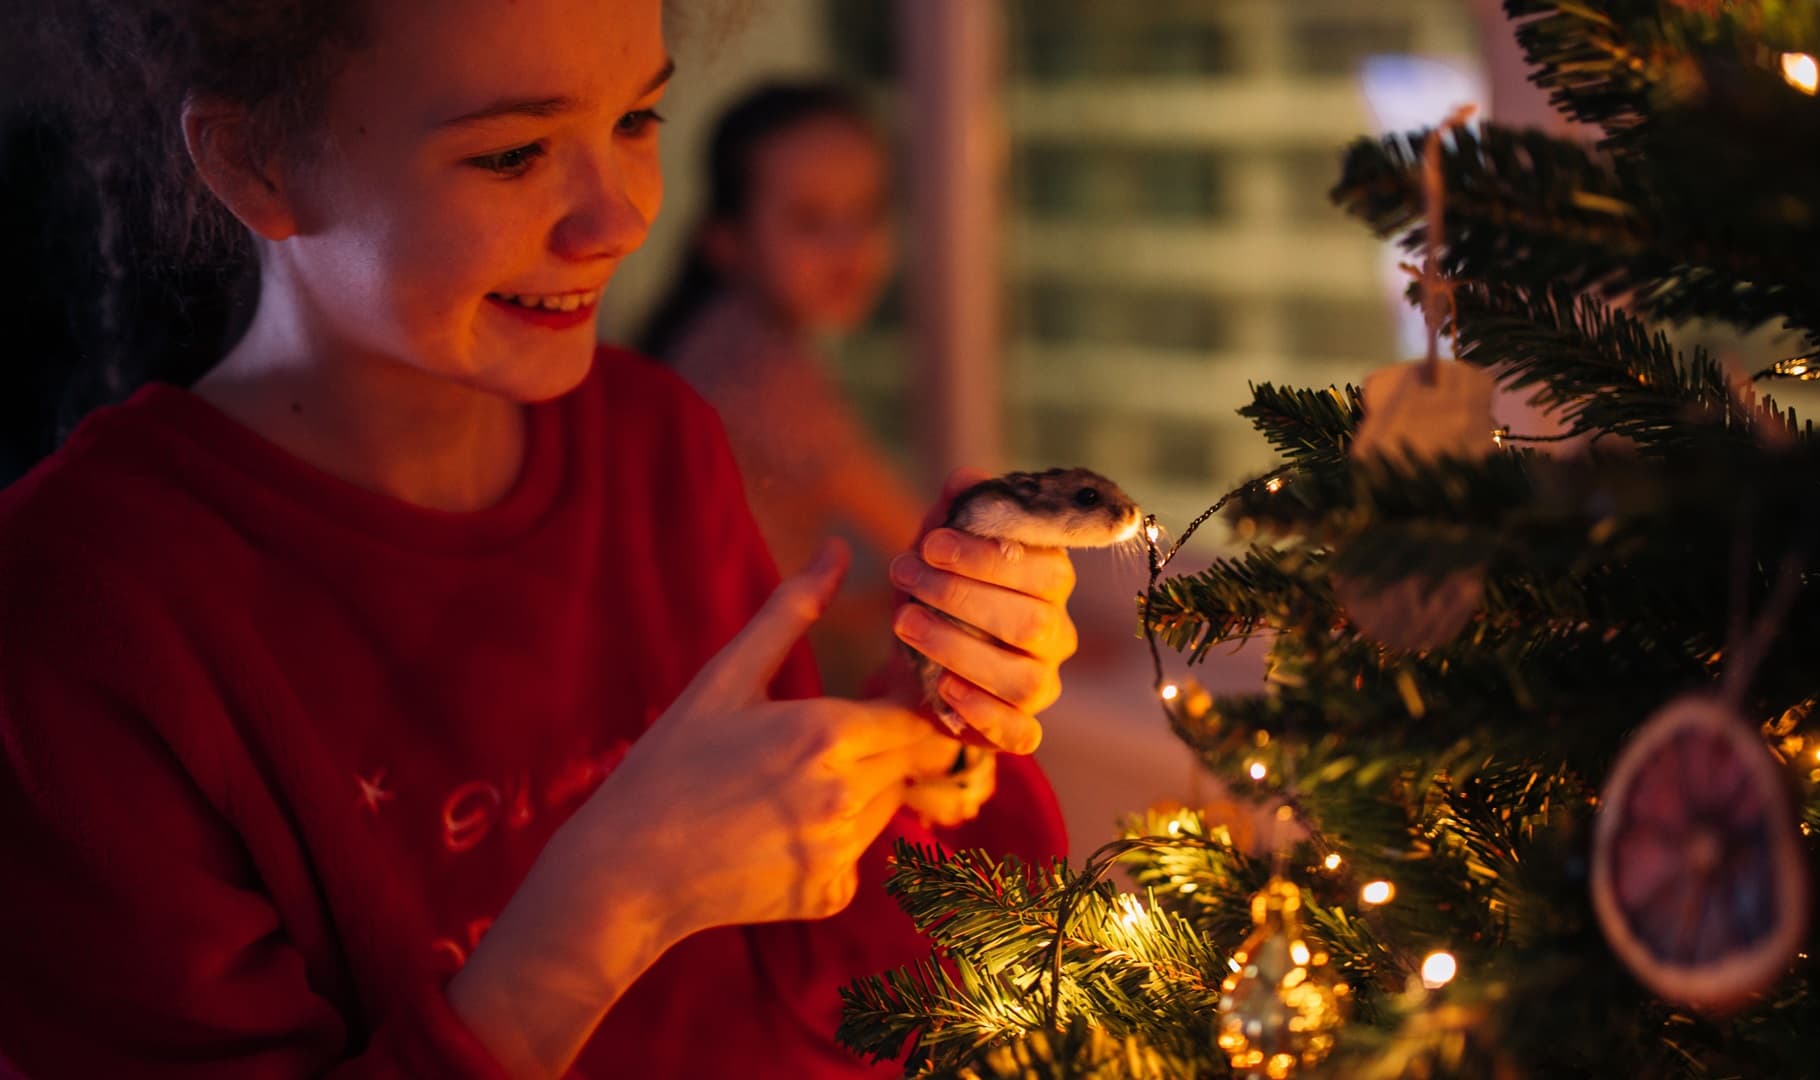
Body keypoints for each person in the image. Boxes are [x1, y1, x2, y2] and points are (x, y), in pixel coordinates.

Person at [0, 2, 1076, 1077]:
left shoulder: (653, 443)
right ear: (256, 164)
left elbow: (840, 975)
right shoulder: (84, 618)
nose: (619, 220)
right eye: (512, 154)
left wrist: (930, 721)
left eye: (638, 122)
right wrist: (609, 908)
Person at [638, 82, 924, 695]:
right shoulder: (757, 365)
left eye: (868, 212)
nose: (850, 248)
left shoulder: (720, 333)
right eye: (811, 221)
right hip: (722, 689)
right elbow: (921, 537)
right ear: (726, 240)